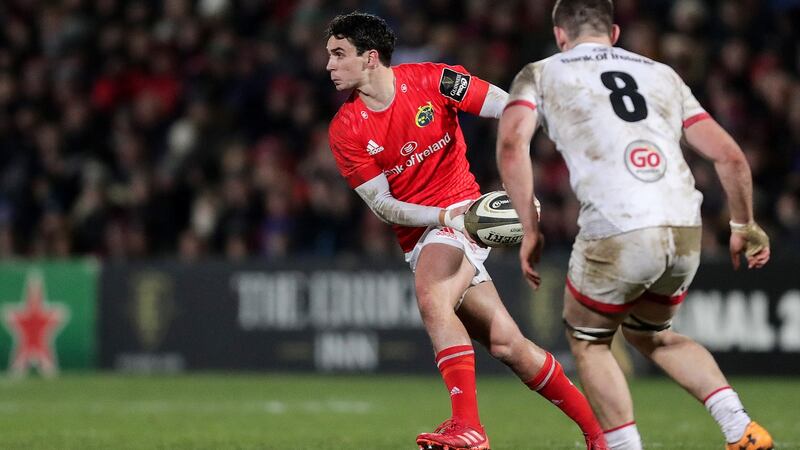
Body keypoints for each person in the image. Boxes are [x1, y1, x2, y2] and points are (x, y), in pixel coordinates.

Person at [495, 1, 774, 449]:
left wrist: (530, 228)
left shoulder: (541, 72)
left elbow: (512, 144)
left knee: (589, 339)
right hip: (684, 224)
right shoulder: (662, 74)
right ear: (616, 32)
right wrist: (744, 224)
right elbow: (730, 156)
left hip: (618, 223)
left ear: (559, 34)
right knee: (654, 335)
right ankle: (740, 428)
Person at [325, 11, 608, 450]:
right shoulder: (346, 128)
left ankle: (468, 426)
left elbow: (505, 107)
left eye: (339, 54)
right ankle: (600, 433)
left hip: (465, 216)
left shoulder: (434, 80)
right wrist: (442, 220)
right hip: (432, 228)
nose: (329, 65)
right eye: (329, 55)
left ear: (370, 58)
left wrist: (541, 148)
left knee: (431, 295)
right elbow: (382, 204)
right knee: (507, 344)